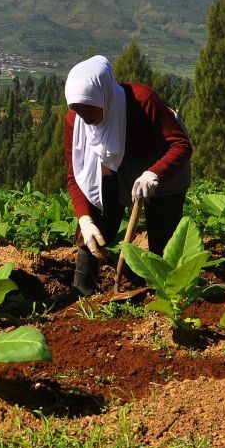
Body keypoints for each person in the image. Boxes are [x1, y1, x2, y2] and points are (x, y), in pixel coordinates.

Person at [64, 55, 192, 296]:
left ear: (104, 97)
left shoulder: (142, 101)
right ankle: (82, 288)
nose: (83, 117)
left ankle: (164, 292)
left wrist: (153, 173)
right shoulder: (76, 120)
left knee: (163, 235)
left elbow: (181, 146)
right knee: (97, 220)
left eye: (88, 108)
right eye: (76, 108)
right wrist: (84, 219)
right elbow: (75, 174)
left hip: (162, 160)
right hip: (116, 163)